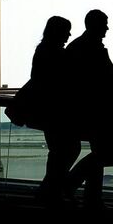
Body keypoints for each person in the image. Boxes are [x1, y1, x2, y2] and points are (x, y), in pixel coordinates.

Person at [65, 9, 113, 209]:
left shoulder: (80, 48)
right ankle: (75, 189)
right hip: (95, 115)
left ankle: (91, 197)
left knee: (99, 156)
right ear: (94, 25)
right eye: (104, 23)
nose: (107, 27)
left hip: (92, 114)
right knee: (100, 156)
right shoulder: (88, 49)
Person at [32, 16, 82, 205]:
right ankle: (51, 191)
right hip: (58, 113)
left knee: (59, 152)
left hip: (49, 112)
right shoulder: (57, 54)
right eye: (66, 30)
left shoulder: (43, 51)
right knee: (67, 150)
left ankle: (50, 191)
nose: (69, 34)